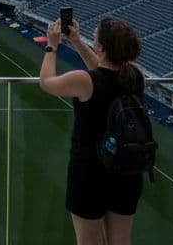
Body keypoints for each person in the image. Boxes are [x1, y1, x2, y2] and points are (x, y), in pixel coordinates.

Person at [39, 15, 146, 245]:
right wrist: (77, 40)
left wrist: (52, 45)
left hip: (90, 173)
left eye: (95, 40)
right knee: (121, 241)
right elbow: (105, 69)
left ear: (101, 47)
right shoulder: (135, 76)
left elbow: (47, 82)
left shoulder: (84, 80)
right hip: (126, 170)